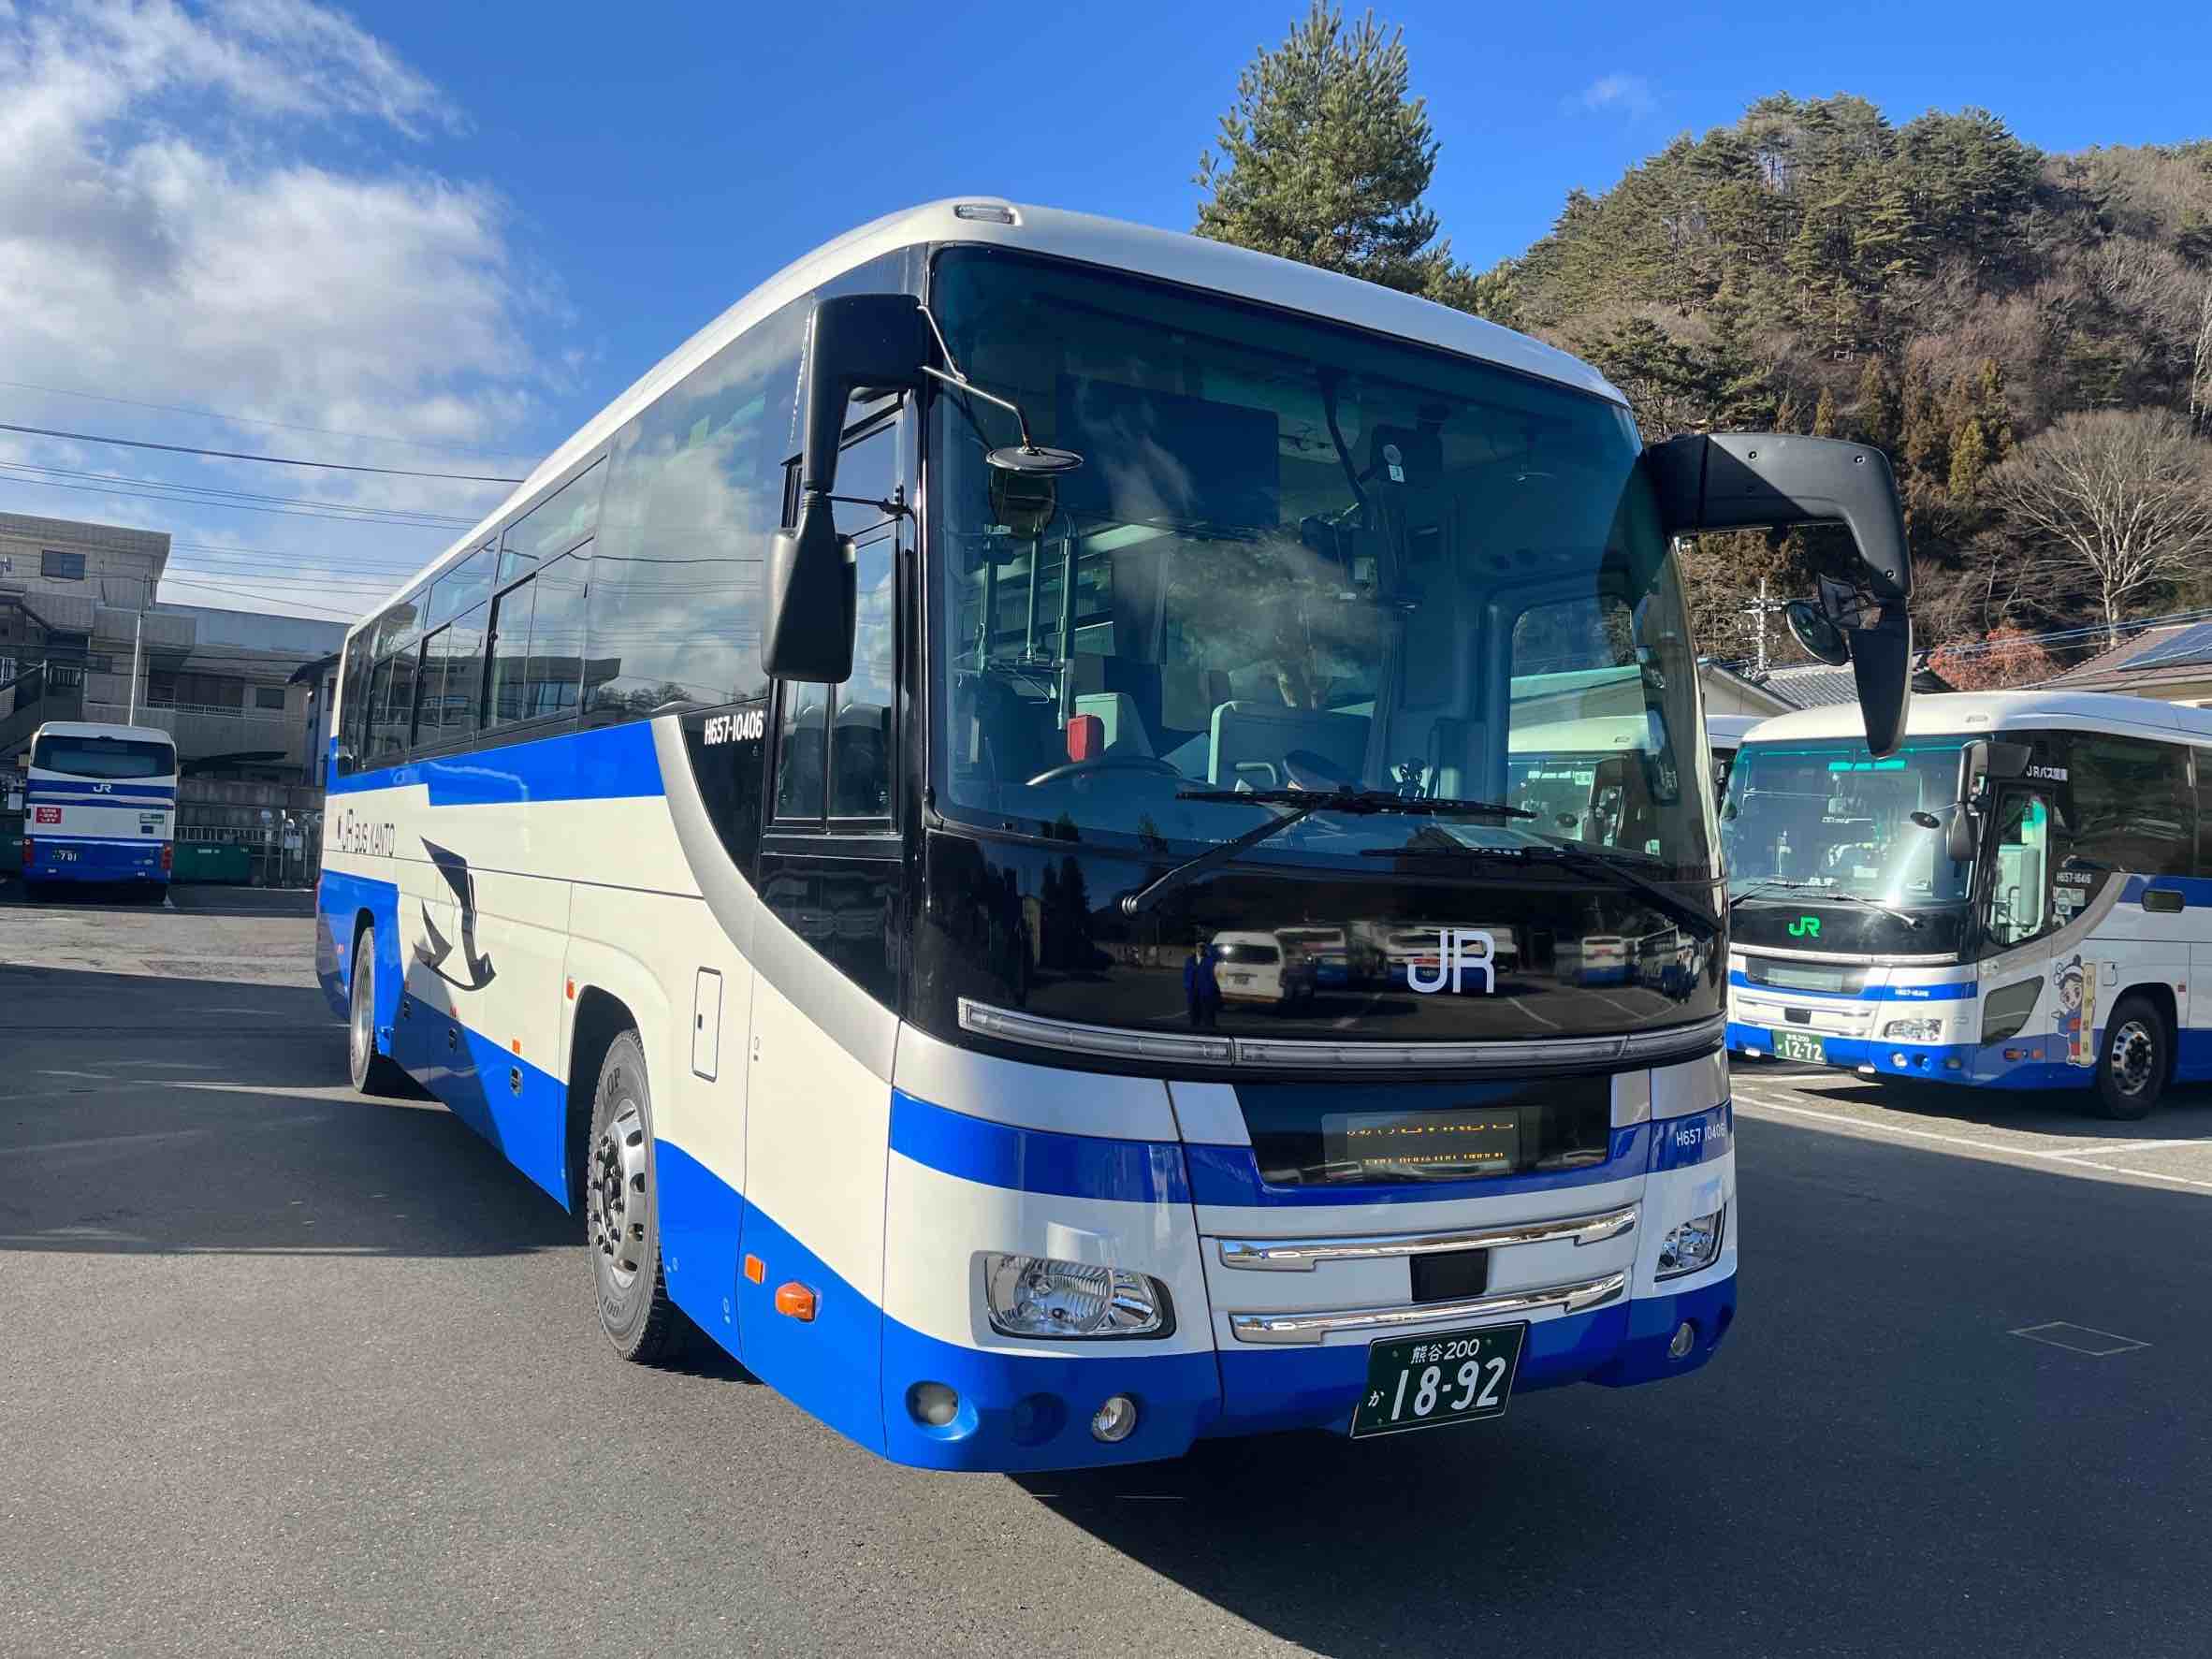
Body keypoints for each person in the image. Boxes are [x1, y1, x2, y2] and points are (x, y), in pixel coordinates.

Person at [1185, 941, 1221, 1030]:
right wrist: (1187, 985)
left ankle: (1210, 1026)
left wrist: (1209, 947)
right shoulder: (1190, 959)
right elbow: (1186, 972)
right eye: (1198, 947)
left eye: (1202, 947)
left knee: (1208, 1009)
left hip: (1206, 988)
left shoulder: (1209, 959)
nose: (1200, 949)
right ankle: (1194, 1026)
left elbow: (1217, 955)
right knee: (1194, 1009)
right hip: (1193, 988)